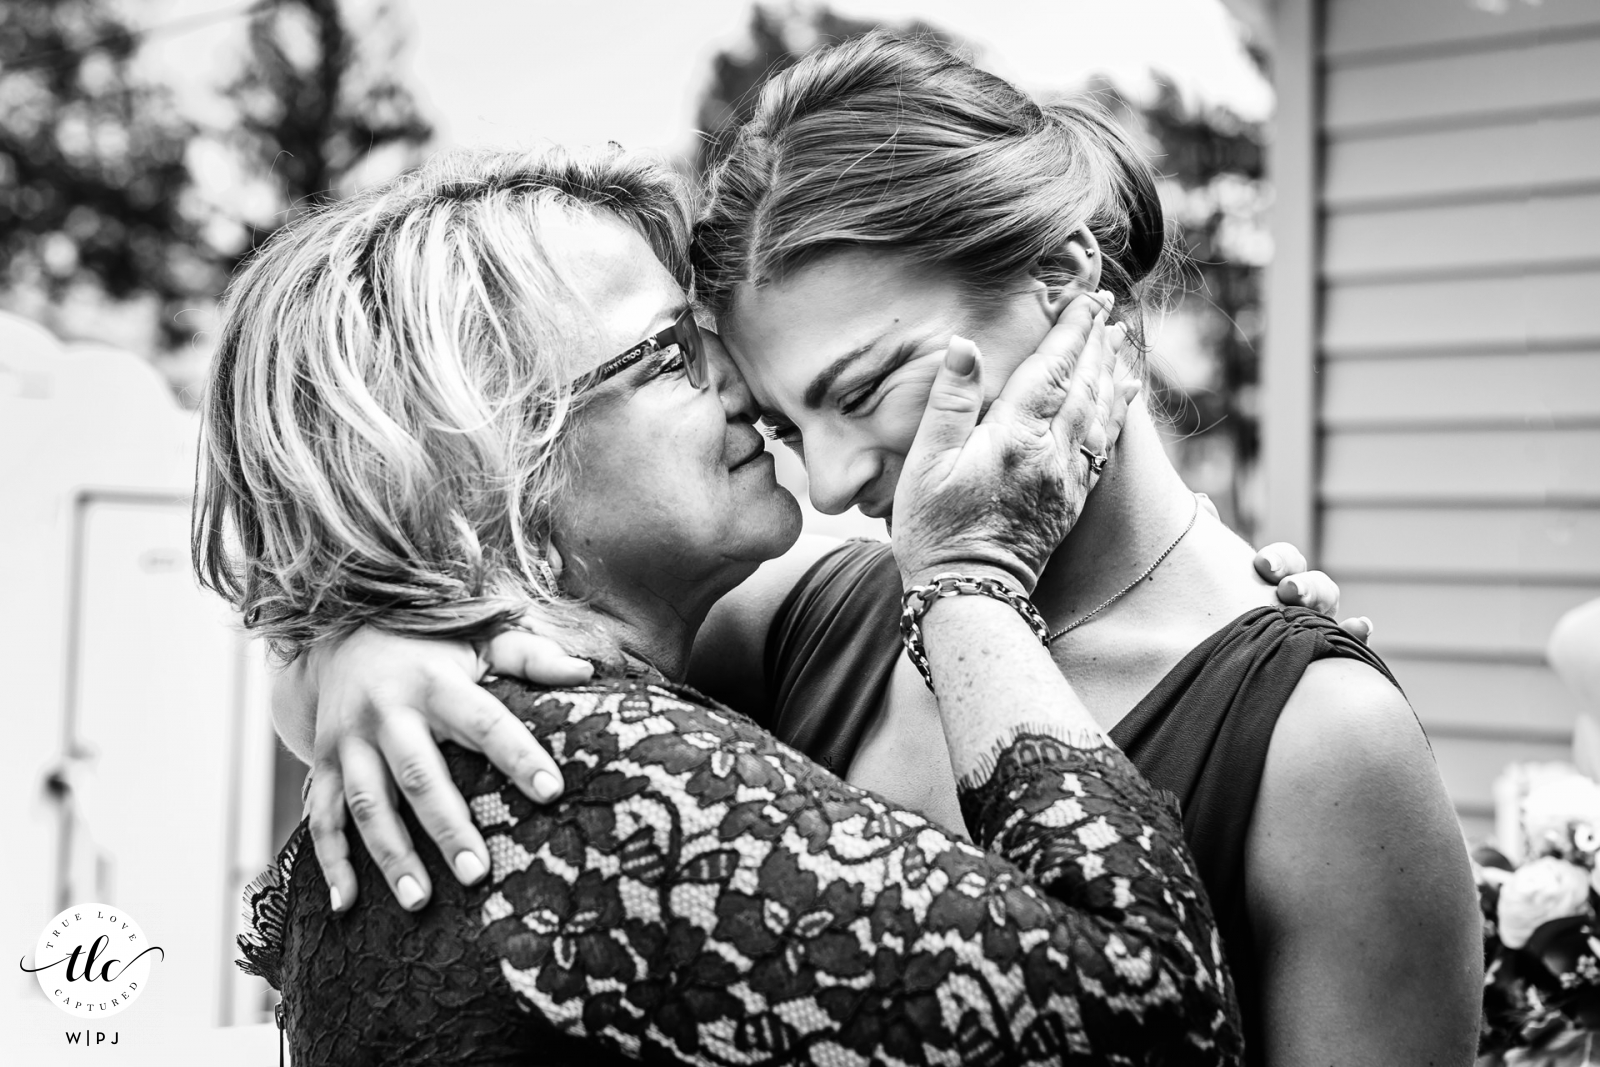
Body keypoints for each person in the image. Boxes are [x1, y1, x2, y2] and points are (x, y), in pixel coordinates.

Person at [278, 34, 1481, 1066]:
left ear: (1062, 274)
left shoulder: (1323, 743)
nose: (837, 479)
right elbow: (537, 678)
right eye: (789, 419)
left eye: (863, 390)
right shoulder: (806, 626)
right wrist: (364, 644)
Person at [201, 145, 1244, 1065]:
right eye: (672, 354)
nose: (742, 392)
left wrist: (341, 640)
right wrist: (971, 574)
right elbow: (1155, 1012)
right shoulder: (569, 779)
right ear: (483, 455)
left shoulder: (478, 717)